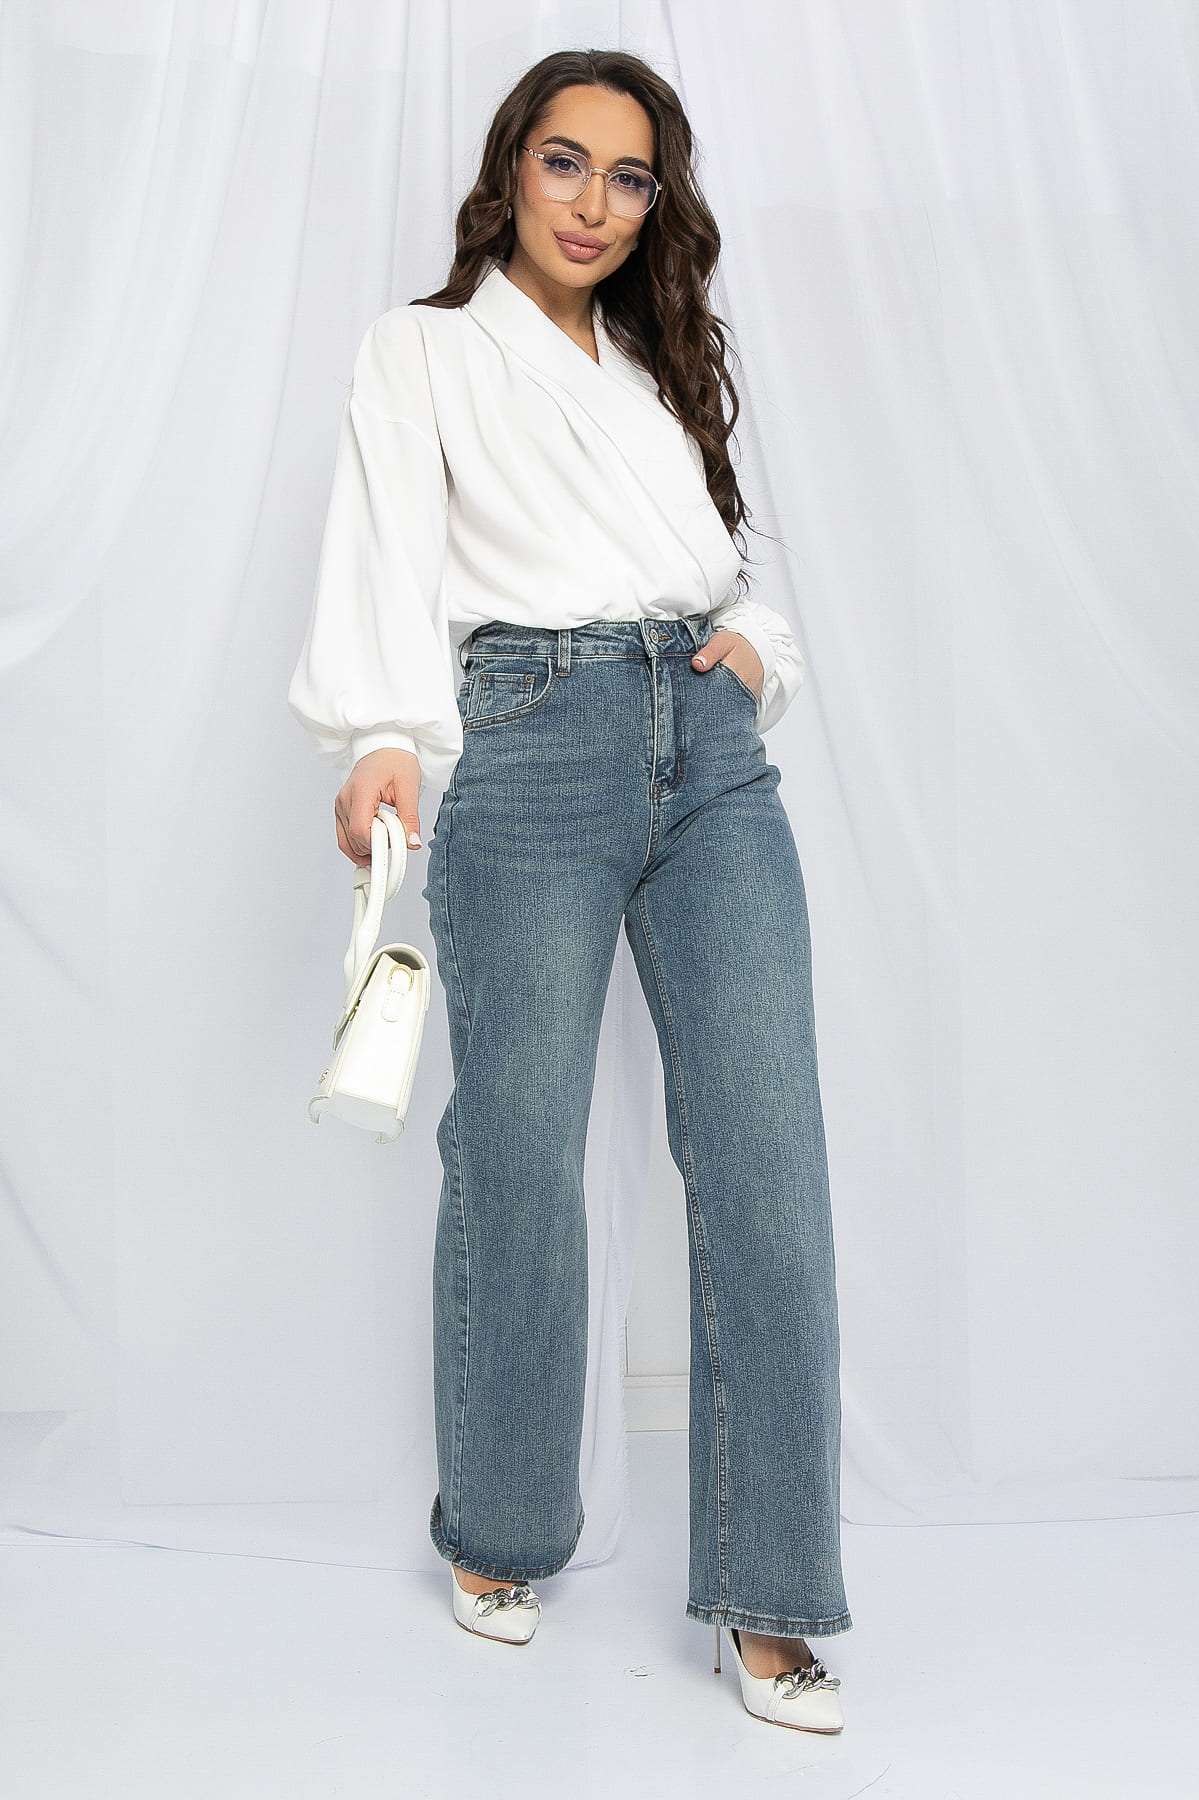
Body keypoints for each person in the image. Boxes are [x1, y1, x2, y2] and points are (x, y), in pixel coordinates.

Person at [288, 47, 851, 1733]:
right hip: (529, 737)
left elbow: (731, 558)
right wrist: (381, 735)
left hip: (711, 748)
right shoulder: (425, 349)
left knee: (766, 1156)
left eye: (629, 175)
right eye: (565, 161)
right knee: (520, 1149)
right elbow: (385, 547)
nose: (595, 203)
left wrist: (757, 652)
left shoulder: (663, 363)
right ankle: (503, 1526)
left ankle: (773, 1599)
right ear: (510, 169)